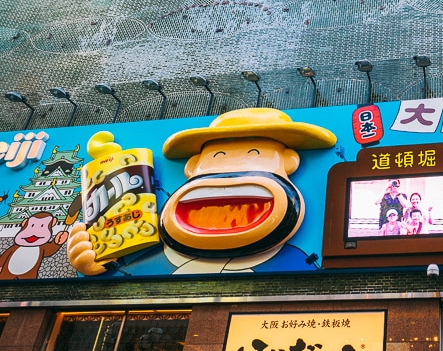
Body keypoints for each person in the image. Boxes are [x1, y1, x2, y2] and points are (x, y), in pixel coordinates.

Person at [67, 108, 337, 275]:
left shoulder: (296, 259)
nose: (230, 177)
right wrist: (102, 261)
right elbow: (139, 272)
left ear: (290, 162)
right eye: (218, 156)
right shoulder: (157, 242)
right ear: (192, 167)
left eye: (253, 155)